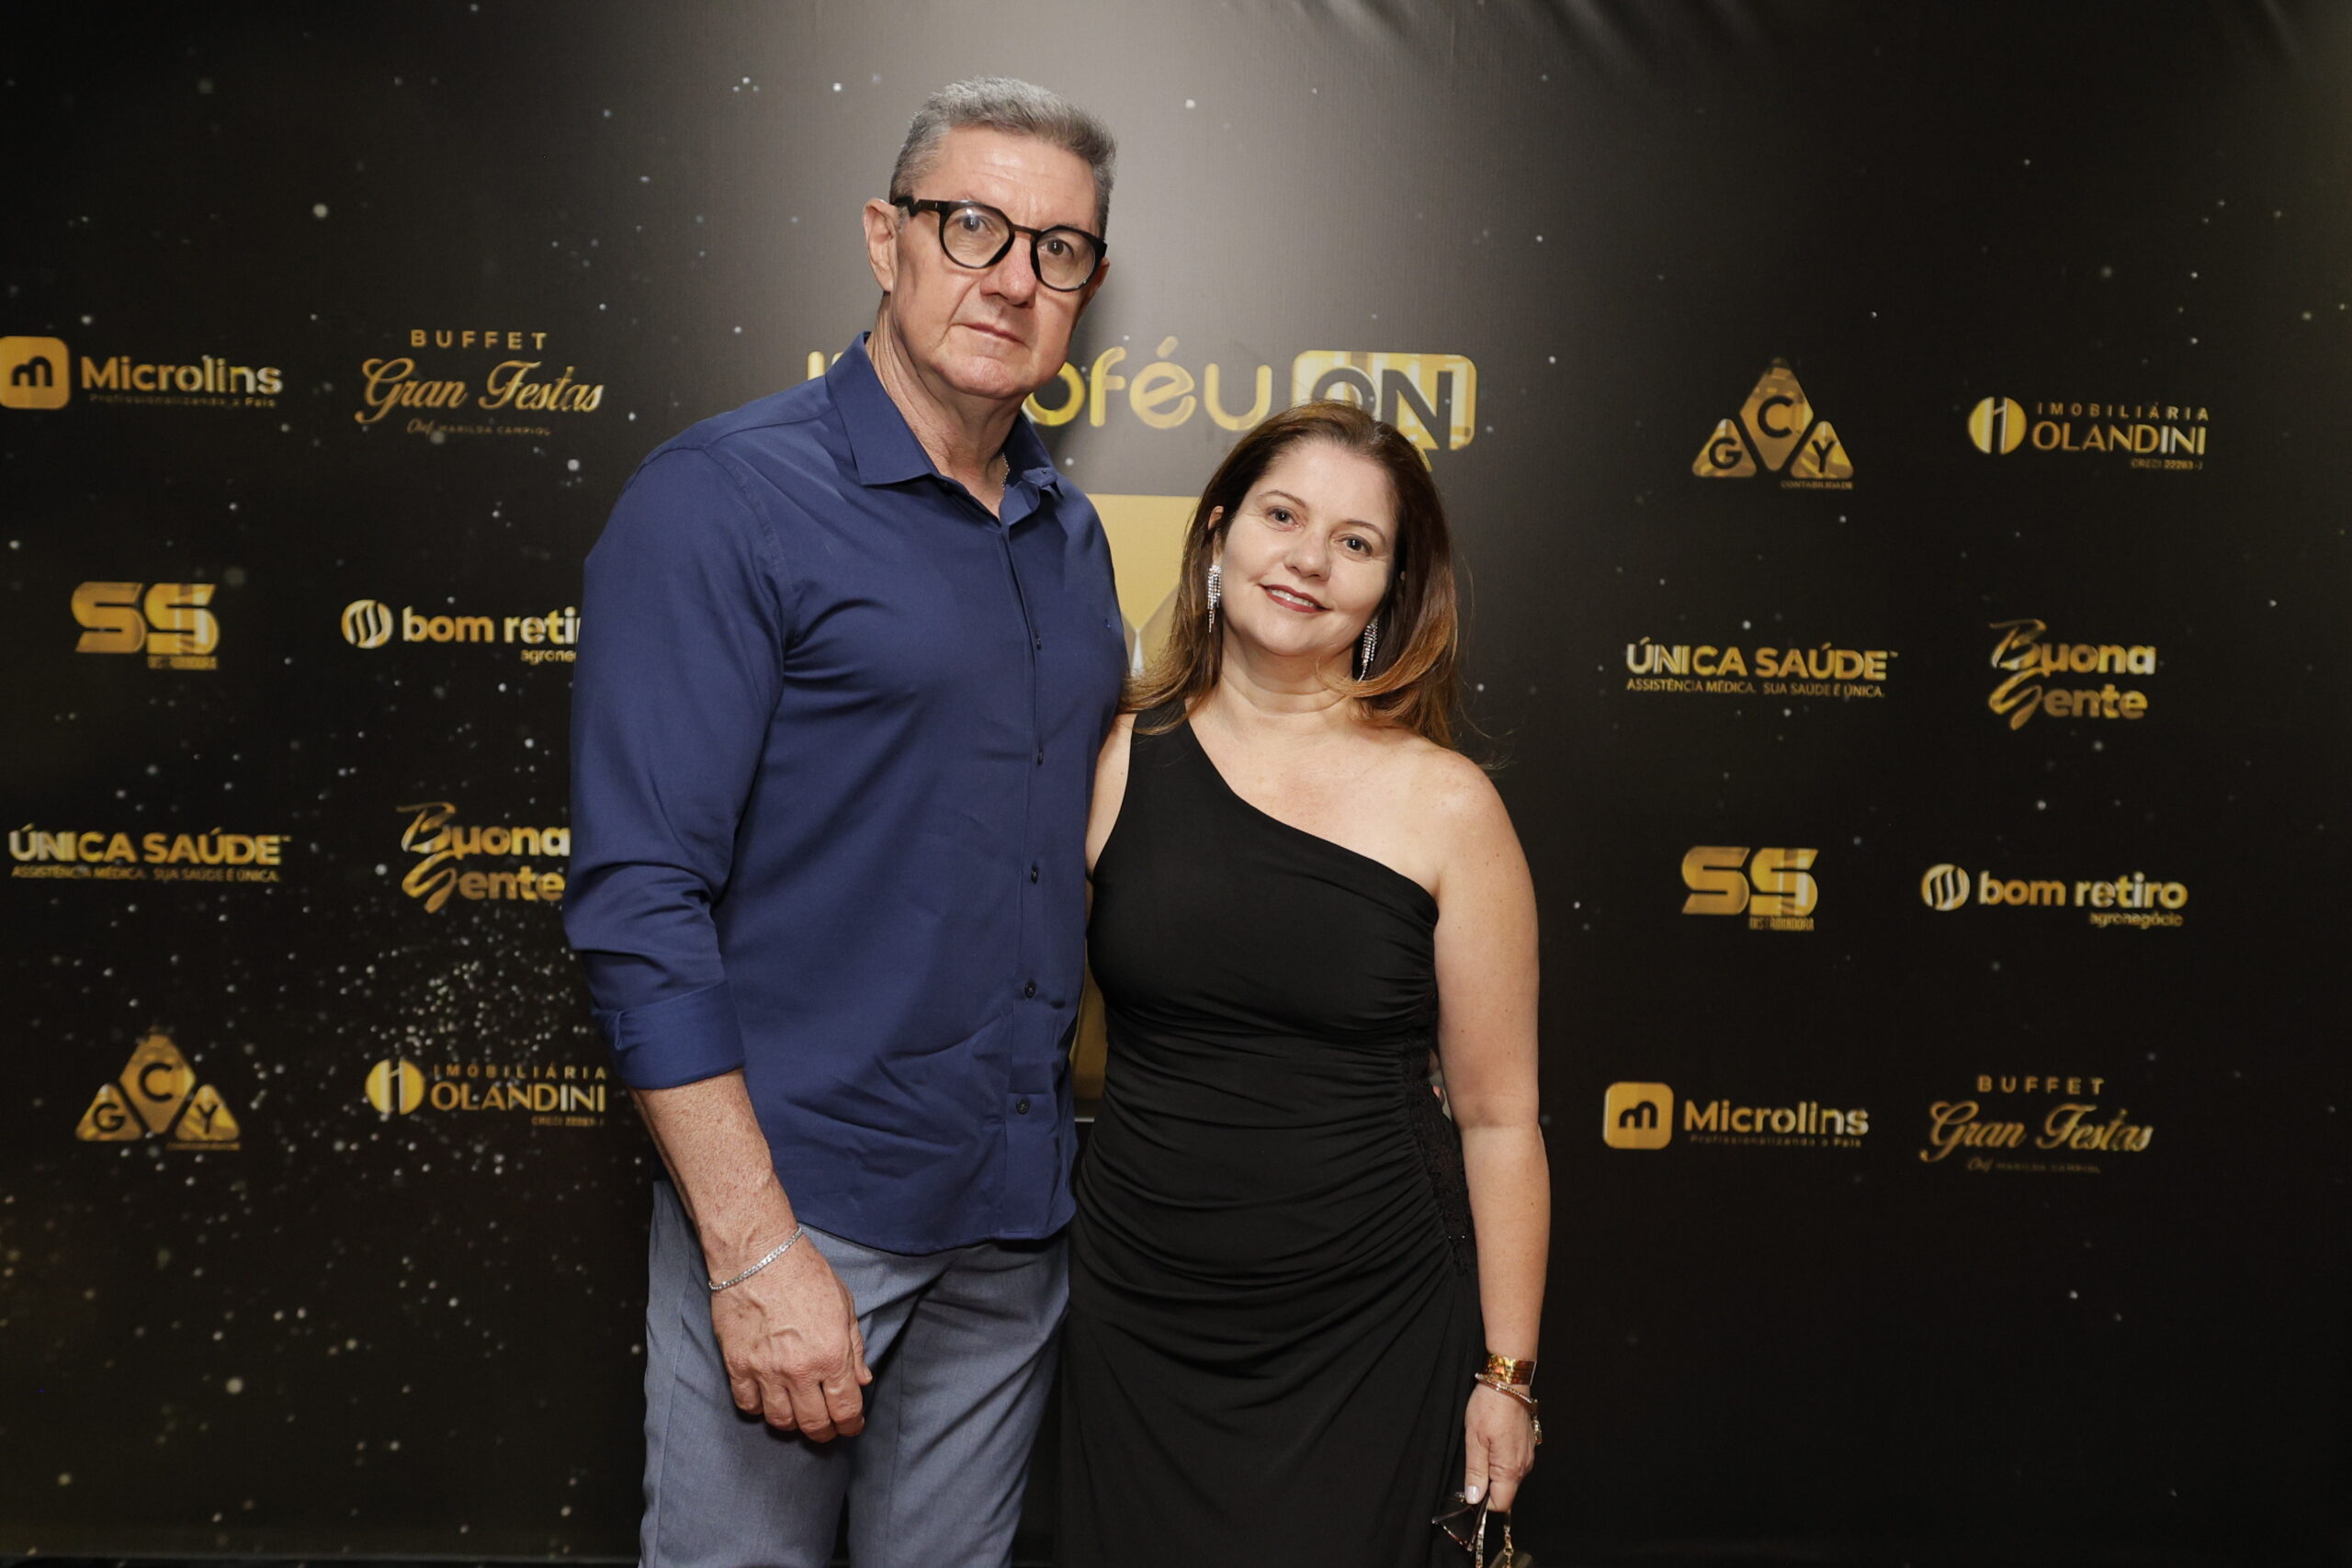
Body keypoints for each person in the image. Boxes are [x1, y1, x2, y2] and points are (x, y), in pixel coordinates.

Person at [564, 77, 1123, 1568]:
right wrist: (753, 1246)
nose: (1013, 277)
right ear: (886, 238)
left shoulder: (1068, 539)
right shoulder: (723, 500)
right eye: (972, 227)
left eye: (1059, 249)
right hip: (805, 1212)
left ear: (1088, 287)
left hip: (1012, 1228)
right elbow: (638, 901)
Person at [1058, 402, 1550, 1566]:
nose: (1309, 560)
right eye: (1282, 516)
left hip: (1371, 1318)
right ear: (1219, 534)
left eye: (1355, 542)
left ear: (1391, 590)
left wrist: (1507, 1376)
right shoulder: (1111, 758)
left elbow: (1498, 1118)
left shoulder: (1450, 807)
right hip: (1138, 1311)